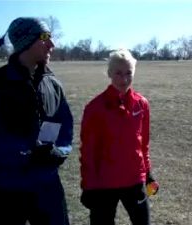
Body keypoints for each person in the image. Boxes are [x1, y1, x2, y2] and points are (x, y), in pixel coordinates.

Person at [0, 17, 73, 225]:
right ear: (25, 42)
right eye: (45, 37)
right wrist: (24, 154)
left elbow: (64, 127)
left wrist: (58, 152)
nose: (52, 44)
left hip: (48, 187)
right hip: (6, 189)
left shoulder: (53, 84)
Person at [79, 49, 158, 225]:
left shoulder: (141, 104)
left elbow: (143, 143)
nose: (124, 79)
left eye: (129, 73)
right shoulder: (94, 108)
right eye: (118, 73)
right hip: (104, 184)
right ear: (109, 73)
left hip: (135, 179)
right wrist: (88, 186)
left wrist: (148, 173)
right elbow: (88, 152)